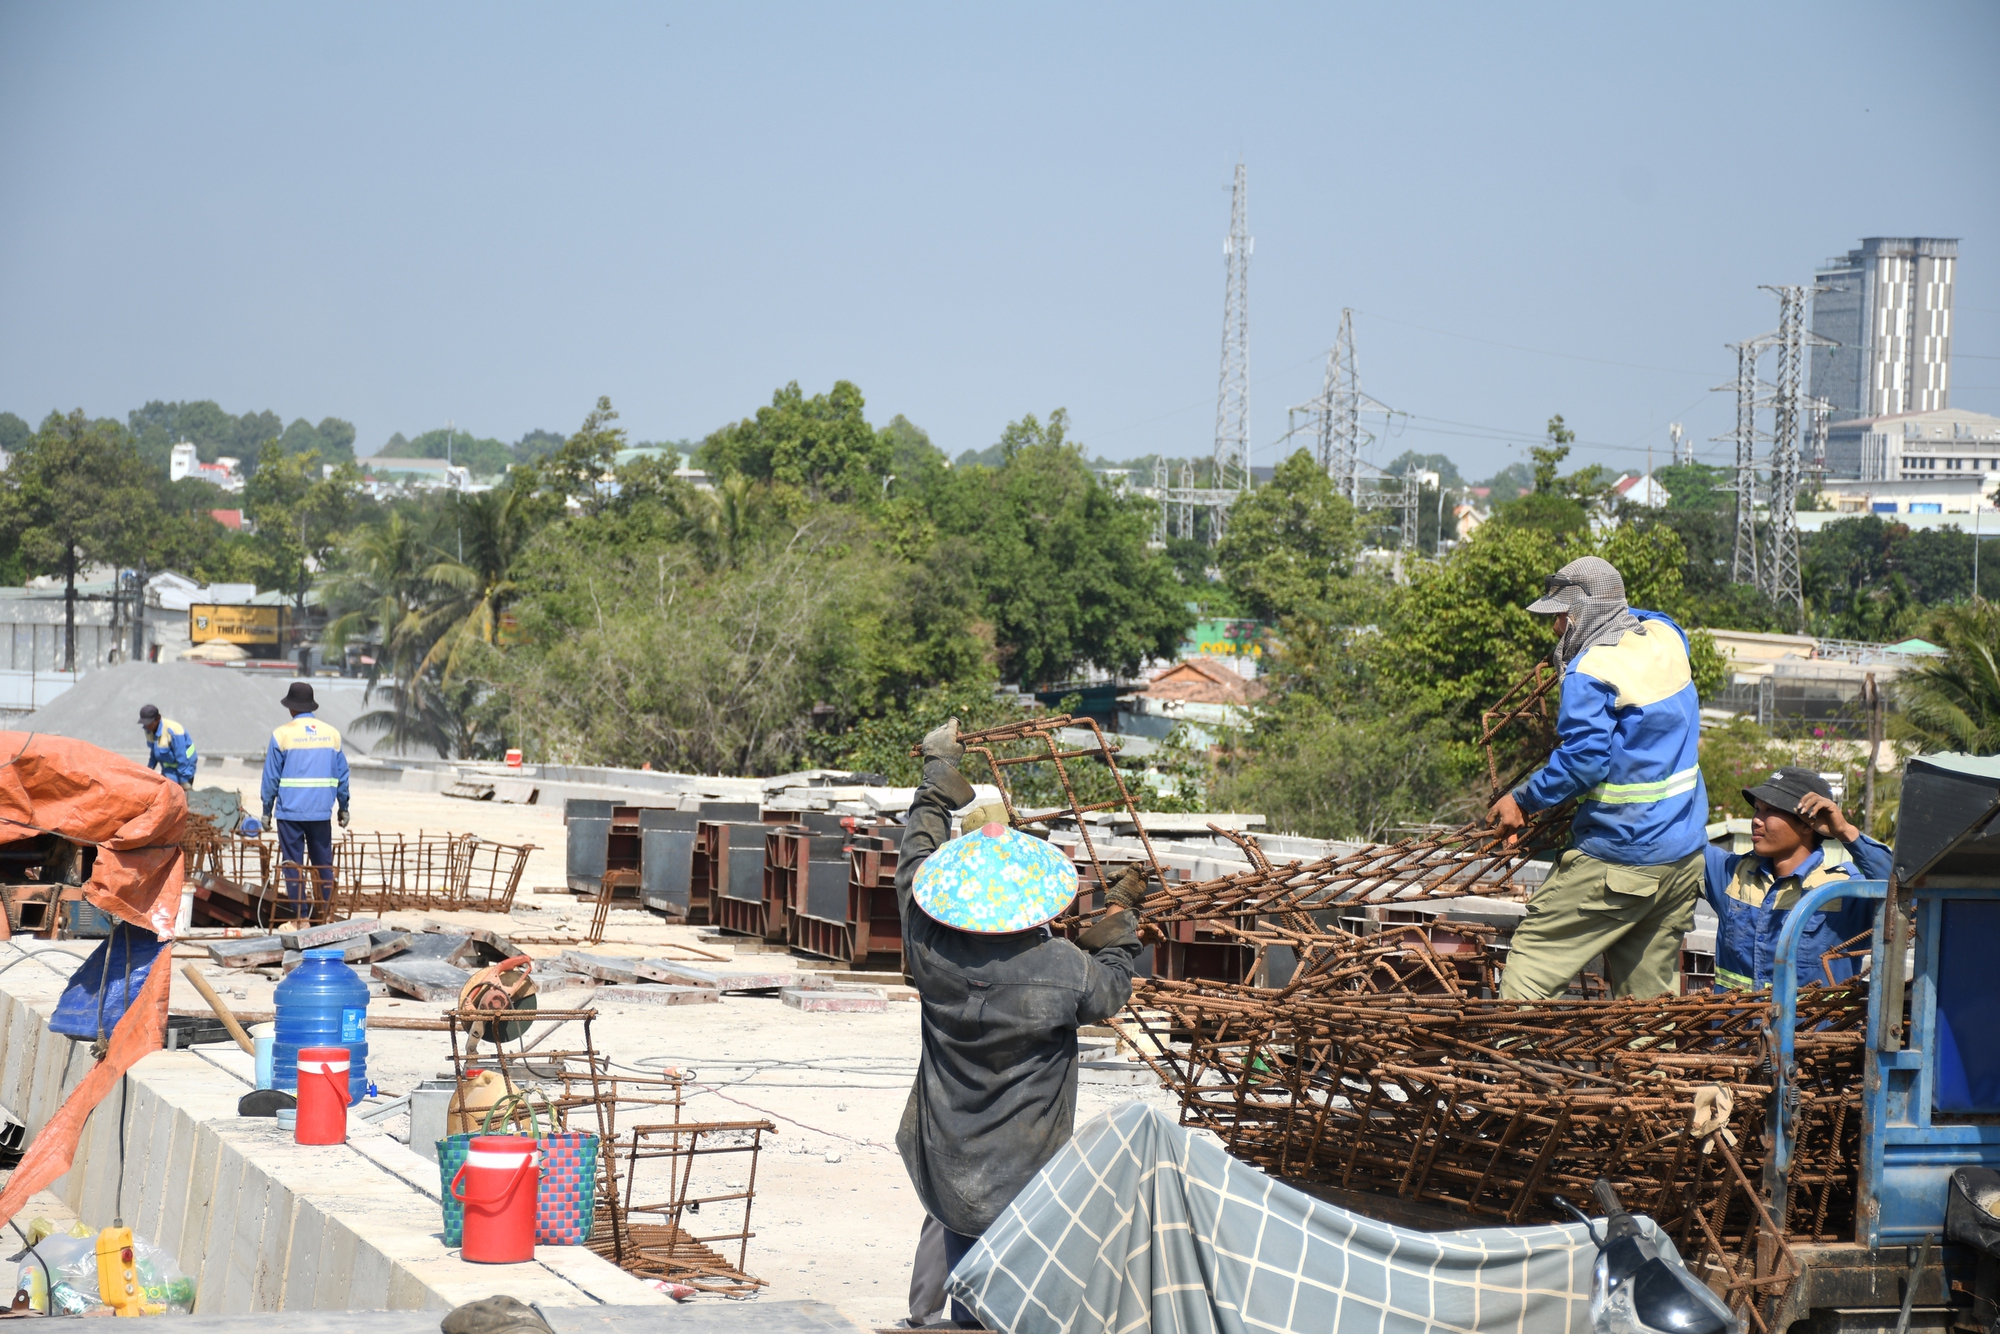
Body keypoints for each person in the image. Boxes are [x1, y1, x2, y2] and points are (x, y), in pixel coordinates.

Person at [898, 718, 1146, 1328]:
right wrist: (1118, 922)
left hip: (951, 1162)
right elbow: (1111, 988)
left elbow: (912, 878)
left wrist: (936, 785)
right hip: (1031, 1179)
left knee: (967, 1290)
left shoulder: (931, 953)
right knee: (1015, 1304)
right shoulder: (1065, 971)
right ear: (1033, 898)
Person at [1489, 556, 1708, 1000]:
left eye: (1562, 617)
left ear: (1585, 612)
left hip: (1621, 858)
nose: (1557, 631)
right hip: (1683, 860)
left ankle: (1506, 1060)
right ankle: (1651, 1069)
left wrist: (1522, 801)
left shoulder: (1591, 671)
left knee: (1532, 963)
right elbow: (1644, 614)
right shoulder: (1667, 638)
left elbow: (1585, 761)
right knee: (1645, 1002)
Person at [1704, 766, 1890, 992]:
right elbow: (1683, 839)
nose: (1756, 820)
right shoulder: (1732, 873)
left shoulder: (1844, 891)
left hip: (1811, 1028)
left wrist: (1846, 832)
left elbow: (1908, 897)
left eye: (1770, 810)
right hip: (1734, 1027)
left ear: (1806, 823)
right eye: (1757, 809)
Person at [260, 681, 350, 915]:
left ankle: (301, 917)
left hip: (290, 812)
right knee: (323, 865)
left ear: (290, 708)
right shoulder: (332, 735)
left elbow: (271, 778)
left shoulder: (281, 735)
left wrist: (266, 810)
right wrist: (343, 807)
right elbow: (342, 776)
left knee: (293, 865)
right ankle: (327, 912)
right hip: (320, 811)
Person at [138, 705, 197, 788]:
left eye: (149, 723)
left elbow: (182, 757)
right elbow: (154, 752)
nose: (147, 726)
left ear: (158, 719)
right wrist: (149, 770)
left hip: (185, 768)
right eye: (145, 723)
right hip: (168, 768)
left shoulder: (174, 730)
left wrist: (184, 780)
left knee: (174, 792)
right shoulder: (149, 730)